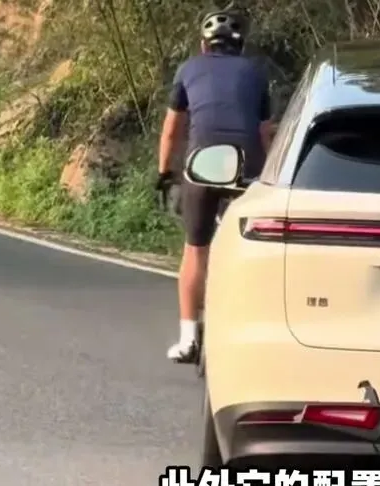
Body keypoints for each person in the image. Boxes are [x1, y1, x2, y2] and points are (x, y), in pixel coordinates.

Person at [155, 9, 275, 362]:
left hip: (203, 165)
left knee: (195, 250)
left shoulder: (188, 69)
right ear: (240, 46)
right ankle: (252, 332)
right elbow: (264, 133)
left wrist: (164, 173)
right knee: (254, 248)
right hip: (247, 165)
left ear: (204, 45)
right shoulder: (255, 73)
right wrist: (271, 179)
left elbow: (171, 131)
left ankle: (188, 339)